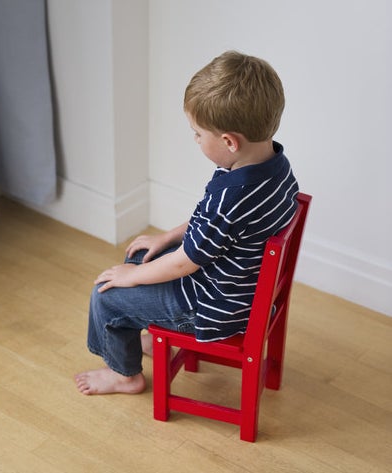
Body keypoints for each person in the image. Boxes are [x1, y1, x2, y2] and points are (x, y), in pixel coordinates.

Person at [74, 51, 299, 396]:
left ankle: (124, 374)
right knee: (142, 257)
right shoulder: (275, 166)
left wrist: (131, 277)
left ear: (228, 141)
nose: (194, 140)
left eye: (197, 133)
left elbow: (184, 263)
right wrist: (165, 237)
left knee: (107, 295)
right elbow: (208, 229)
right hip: (242, 289)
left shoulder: (230, 200)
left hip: (211, 307)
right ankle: (145, 333)